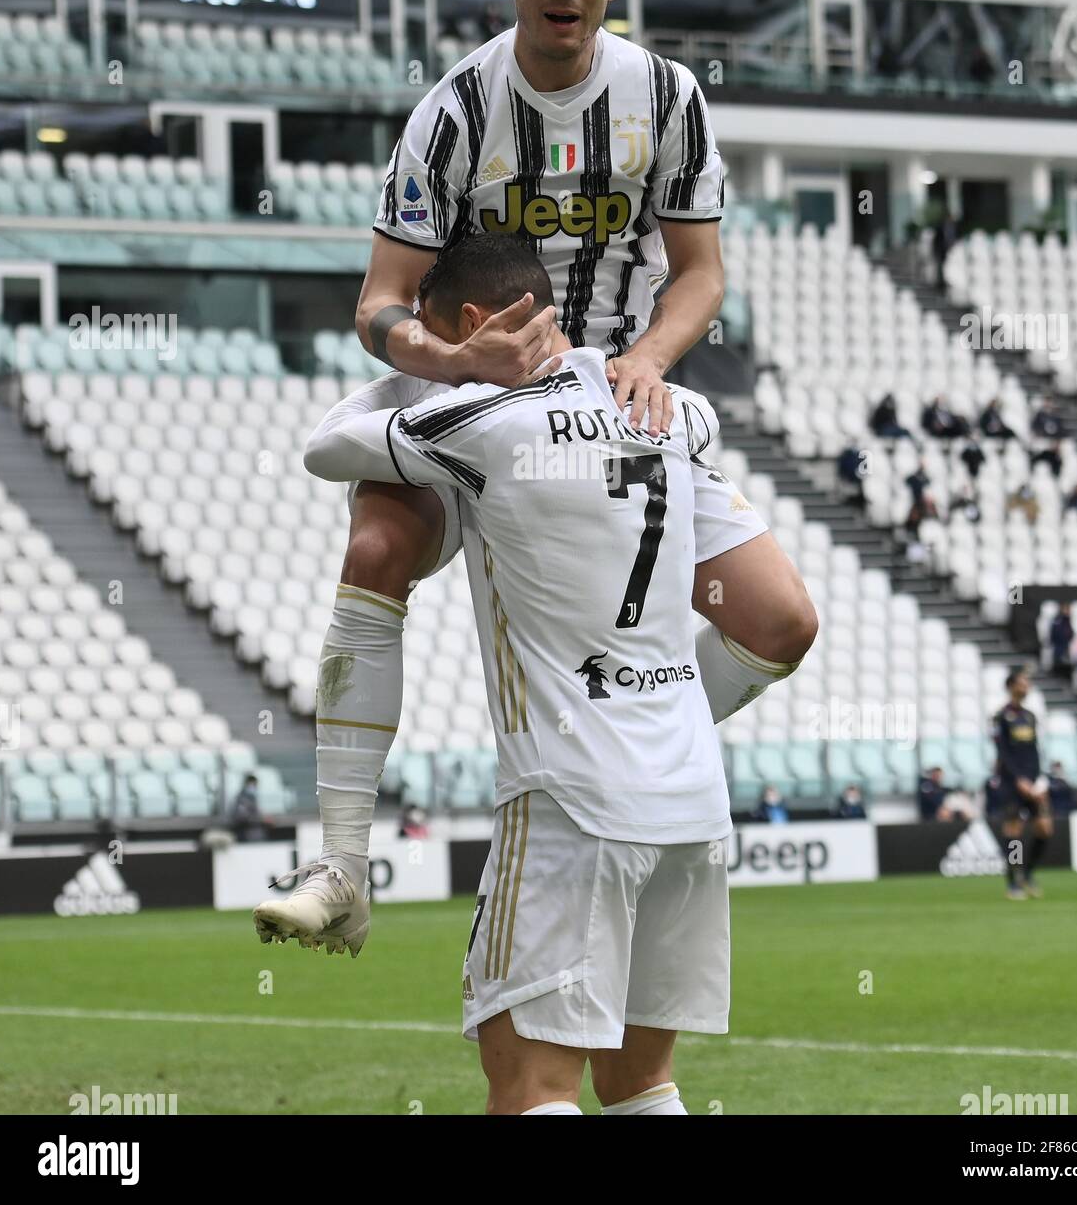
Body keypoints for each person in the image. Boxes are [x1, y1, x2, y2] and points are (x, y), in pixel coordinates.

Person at [294, 0, 817, 986]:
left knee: (778, 619)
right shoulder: (451, 110)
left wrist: (648, 357)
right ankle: (341, 865)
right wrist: (446, 359)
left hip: (614, 400)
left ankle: (620, 756)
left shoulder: (668, 97)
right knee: (376, 548)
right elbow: (377, 302)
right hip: (475, 393)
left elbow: (702, 273)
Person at [257, 234, 813, 1117]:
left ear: (478, 326)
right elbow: (781, 617)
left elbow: (325, 449)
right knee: (640, 1085)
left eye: (454, 346)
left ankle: (341, 863)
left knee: (530, 1086)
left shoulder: (479, 421)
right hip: (688, 797)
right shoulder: (676, 412)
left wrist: (438, 367)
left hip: (571, 795)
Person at [991, 668, 1053, 901]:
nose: (1026, 686)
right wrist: (1019, 780)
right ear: (1011, 686)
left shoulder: (1030, 716)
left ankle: (1027, 873)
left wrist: (1037, 780)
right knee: (1014, 833)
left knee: (1044, 829)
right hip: (1012, 783)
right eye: (1022, 682)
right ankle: (1013, 880)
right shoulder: (1000, 717)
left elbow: (1035, 751)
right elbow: (1003, 753)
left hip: (1032, 782)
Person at [229, 773, 269, 843]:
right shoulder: (241, 798)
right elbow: (241, 817)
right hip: (246, 834)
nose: (254, 787)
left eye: (255, 785)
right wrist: (261, 819)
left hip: (255, 834)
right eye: (252, 784)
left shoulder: (252, 798)